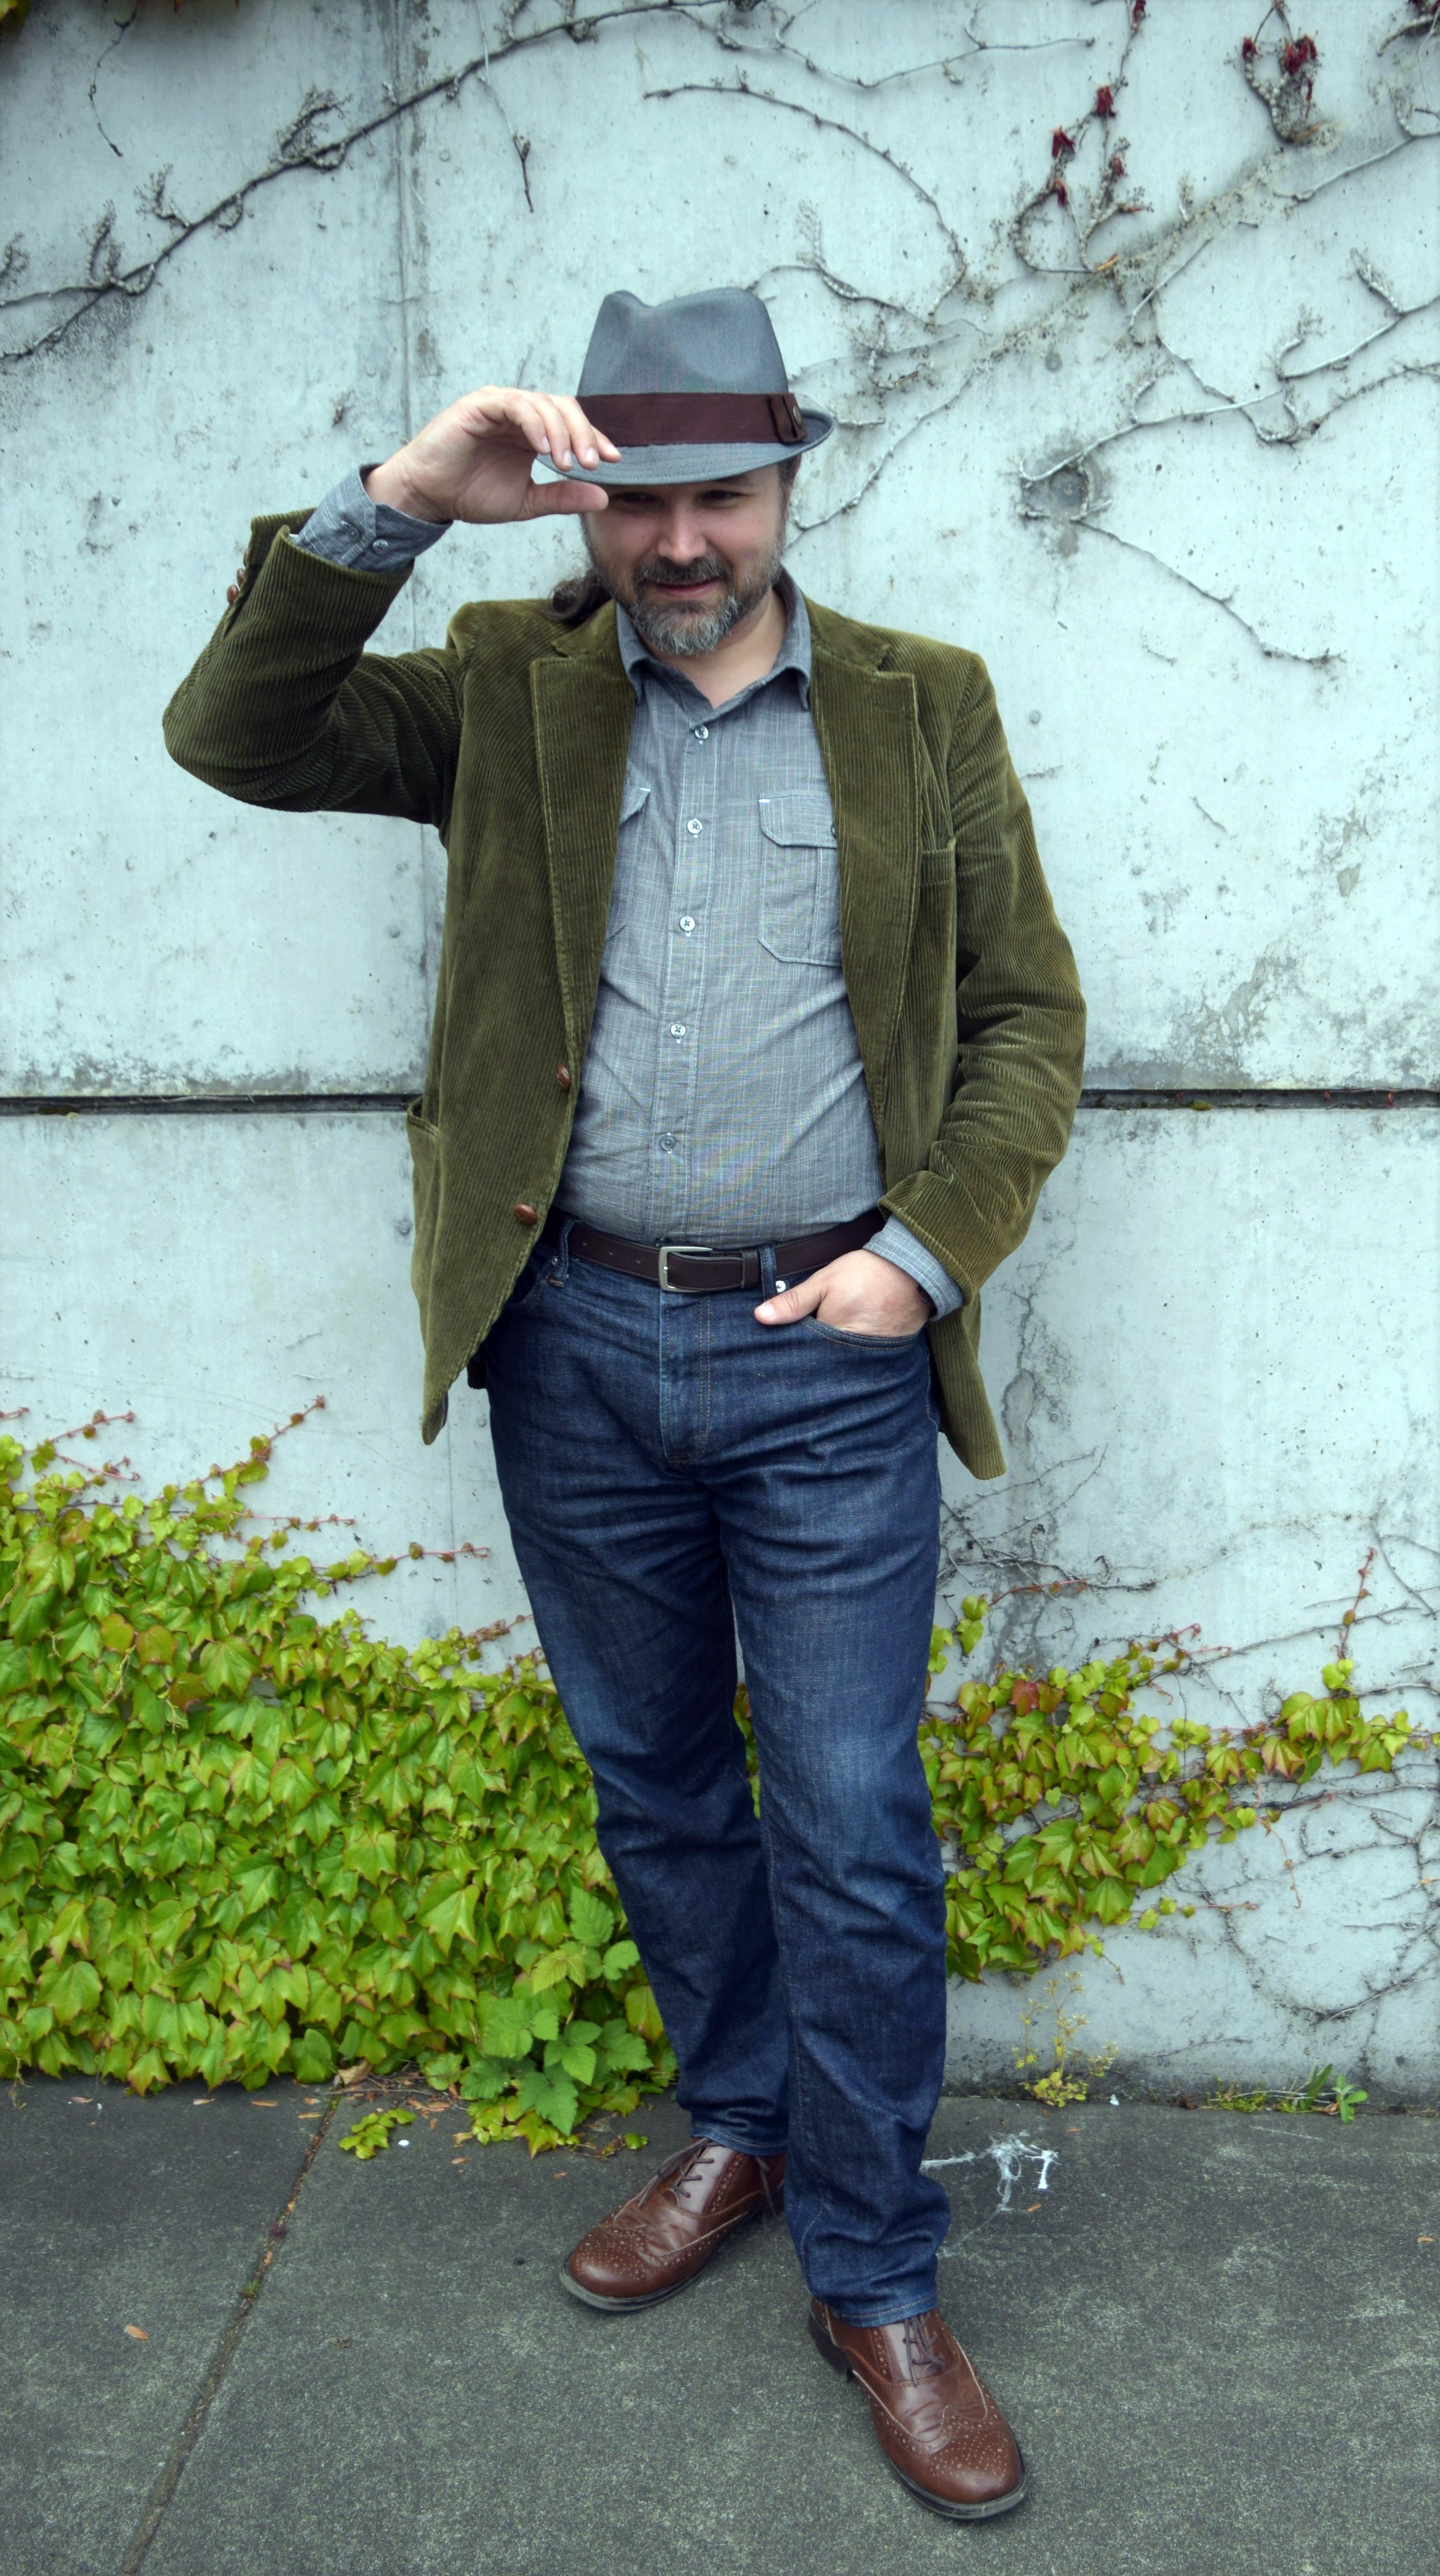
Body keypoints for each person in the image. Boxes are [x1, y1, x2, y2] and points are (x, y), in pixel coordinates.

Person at [165, 286, 1084, 2521]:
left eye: (721, 498)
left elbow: (1027, 1017)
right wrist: (404, 498)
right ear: (586, 505)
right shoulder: (509, 690)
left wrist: (921, 1255)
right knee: (659, 1780)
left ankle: (877, 2271)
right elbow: (233, 733)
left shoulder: (922, 703)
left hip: (824, 1358)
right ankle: (742, 2124)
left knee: (848, 1818)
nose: (680, 542)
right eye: (639, 501)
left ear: (787, 488)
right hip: (574, 1343)